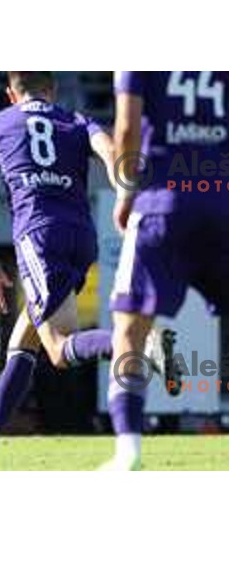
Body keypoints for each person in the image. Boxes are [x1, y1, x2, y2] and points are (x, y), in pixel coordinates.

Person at [0, 72, 176, 466]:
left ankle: (138, 345)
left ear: (11, 93)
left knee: (58, 348)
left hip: (38, 237)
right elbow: (112, 153)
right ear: (52, 89)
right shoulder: (77, 120)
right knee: (22, 342)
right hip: (81, 237)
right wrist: (124, 192)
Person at [103, 71, 229, 470]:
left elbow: (126, 128)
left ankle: (129, 450)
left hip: (164, 201)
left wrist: (126, 191)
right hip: (222, 198)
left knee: (129, 328)